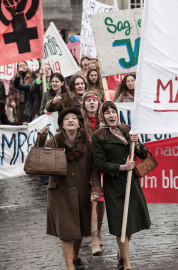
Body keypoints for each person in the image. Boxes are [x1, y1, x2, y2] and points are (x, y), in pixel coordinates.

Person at [36, 107, 101, 270]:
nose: (70, 120)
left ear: (79, 123)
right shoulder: (54, 141)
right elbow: (39, 158)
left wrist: (96, 189)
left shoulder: (89, 143)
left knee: (78, 229)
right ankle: (69, 267)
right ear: (62, 125)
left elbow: (94, 168)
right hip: (59, 192)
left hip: (81, 190)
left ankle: (77, 256)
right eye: (66, 119)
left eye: (74, 118)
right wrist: (41, 138)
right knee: (66, 231)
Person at [91, 101, 151, 270]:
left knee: (130, 223)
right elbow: (100, 164)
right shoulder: (98, 136)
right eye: (107, 112)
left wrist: (137, 143)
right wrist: (122, 167)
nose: (111, 115)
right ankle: (127, 263)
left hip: (131, 183)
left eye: (114, 112)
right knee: (120, 225)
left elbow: (142, 153)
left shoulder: (126, 130)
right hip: (114, 185)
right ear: (102, 116)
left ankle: (121, 253)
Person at [80, 91, 105, 256]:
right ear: (84, 104)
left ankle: (99, 230)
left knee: (102, 203)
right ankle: (93, 237)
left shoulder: (105, 121)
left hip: (103, 166)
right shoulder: (80, 123)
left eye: (94, 100)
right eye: (88, 100)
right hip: (88, 167)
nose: (91, 103)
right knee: (94, 201)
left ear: (98, 104)